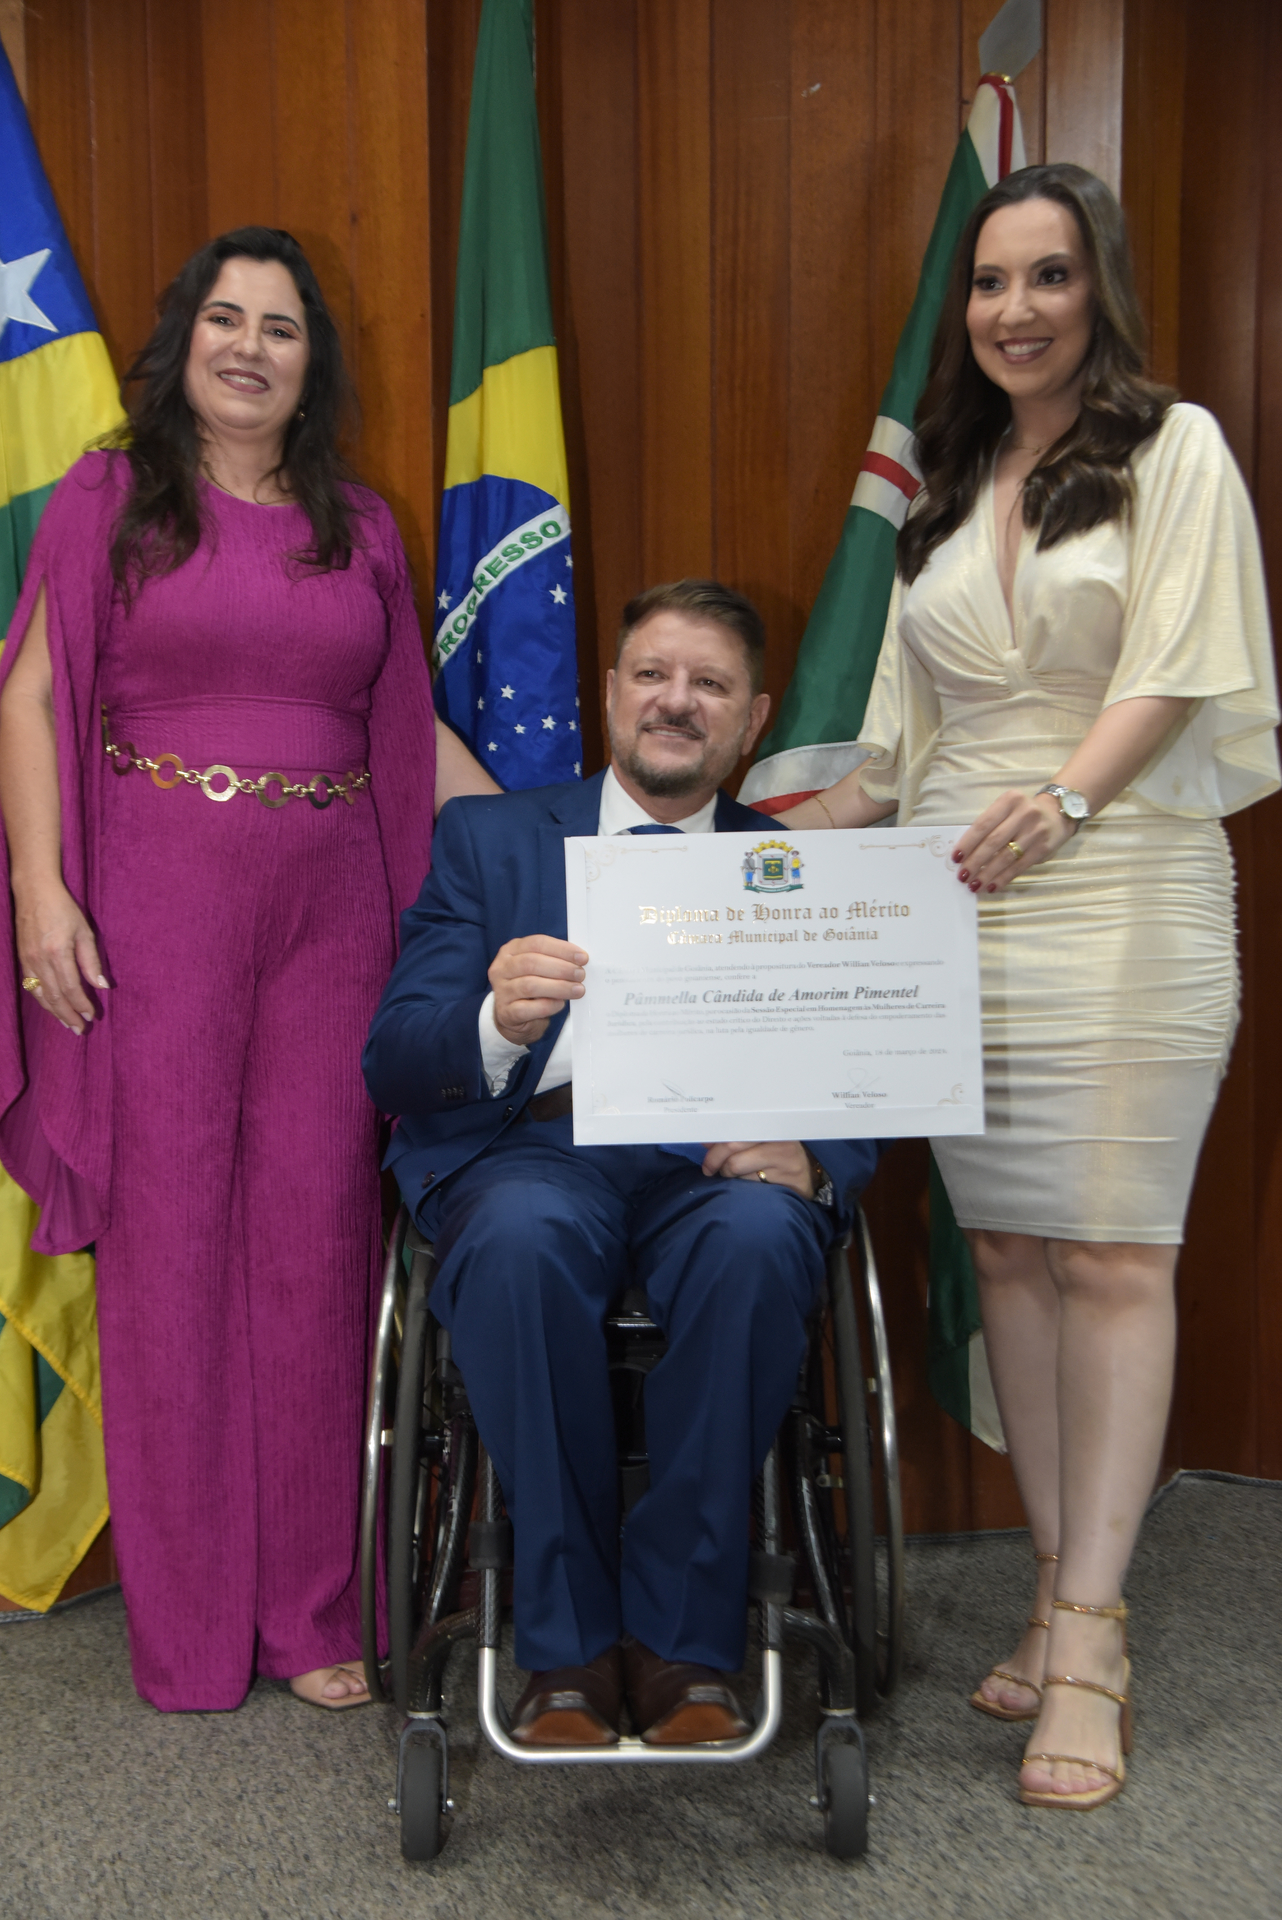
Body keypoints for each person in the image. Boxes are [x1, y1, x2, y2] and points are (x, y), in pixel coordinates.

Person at [780, 164, 1279, 1809]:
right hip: (958, 918)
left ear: (1094, 289)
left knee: (1114, 1256)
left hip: (1121, 890)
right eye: (990, 282)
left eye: (1046, 277)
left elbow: (1180, 666)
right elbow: (890, 756)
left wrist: (1062, 798)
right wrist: (709, 864)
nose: (1012, 309)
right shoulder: (943, 490)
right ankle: (1059, 1583)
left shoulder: (1170, 448)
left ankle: (1090, 1641)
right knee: (1006, 1250)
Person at [0, 227, 496, 1713]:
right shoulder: (109, 498)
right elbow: (29, 697)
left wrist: (563, 848)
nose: (250, 346)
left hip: (333, 920)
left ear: (310, 362)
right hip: (152, 909)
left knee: (317, 1247)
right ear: (184, 341)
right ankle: (195, 1633)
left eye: (281, 327)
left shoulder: (364, 525)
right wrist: (40, 893)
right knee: (171, 1256)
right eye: (226, 317)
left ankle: (313, 1613)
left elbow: (406, 730)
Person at [364, 580, 878, 1745]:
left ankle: (683, 1643)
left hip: (715, 1163)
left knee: (761, 1239)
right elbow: (394, 1058)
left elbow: (865, 1056)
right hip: (532, 1152)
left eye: (710, 684)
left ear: (753, 719)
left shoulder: (792, 868)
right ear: (609, 693)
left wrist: (816, 1158)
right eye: (652, 674)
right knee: (521, 1239)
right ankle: (566, 1646)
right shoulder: (489, 839)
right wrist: (494, 1020)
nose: (675, 701)